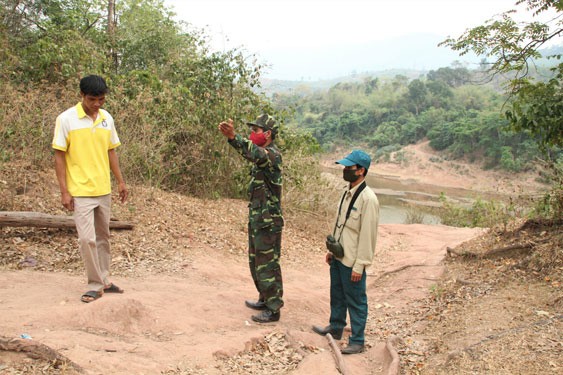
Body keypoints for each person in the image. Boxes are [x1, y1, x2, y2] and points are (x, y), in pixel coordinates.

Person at [52, 75, 128, 303]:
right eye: (92, 99)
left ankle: (104, 279)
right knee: (87, 239)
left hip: (103, 189)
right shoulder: (66, 119)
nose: (97, 104)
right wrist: (64, 191)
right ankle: (94, 284)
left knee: (103, 237)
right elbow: (59, 155)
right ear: (82, 96)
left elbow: (111, 151)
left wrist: (121, 182)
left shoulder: (106, 119)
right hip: (80, 191)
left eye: (101, 99)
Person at [218, 114, 284, 323]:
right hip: (259, 218)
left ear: (268, 134)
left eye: (256, 130)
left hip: (268, 221)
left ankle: (274, 309)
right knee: (256, 262)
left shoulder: (272, 155)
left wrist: (233, 137)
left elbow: (253, 152)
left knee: (268, 264)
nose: (252, 134)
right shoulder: (262, 157)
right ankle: (264, 298)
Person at [312, 150, 379, 354]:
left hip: (353, 261)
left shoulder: (369, 199)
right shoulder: (346, 191)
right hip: (339, 256)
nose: (345, 170)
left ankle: (357, 340)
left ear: (361, 170)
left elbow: (368, 236)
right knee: (337, 294)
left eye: (349, 167)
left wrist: (360, 265)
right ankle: (336, 327)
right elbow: (339, 223)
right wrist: (331, 250)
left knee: (356, 301)